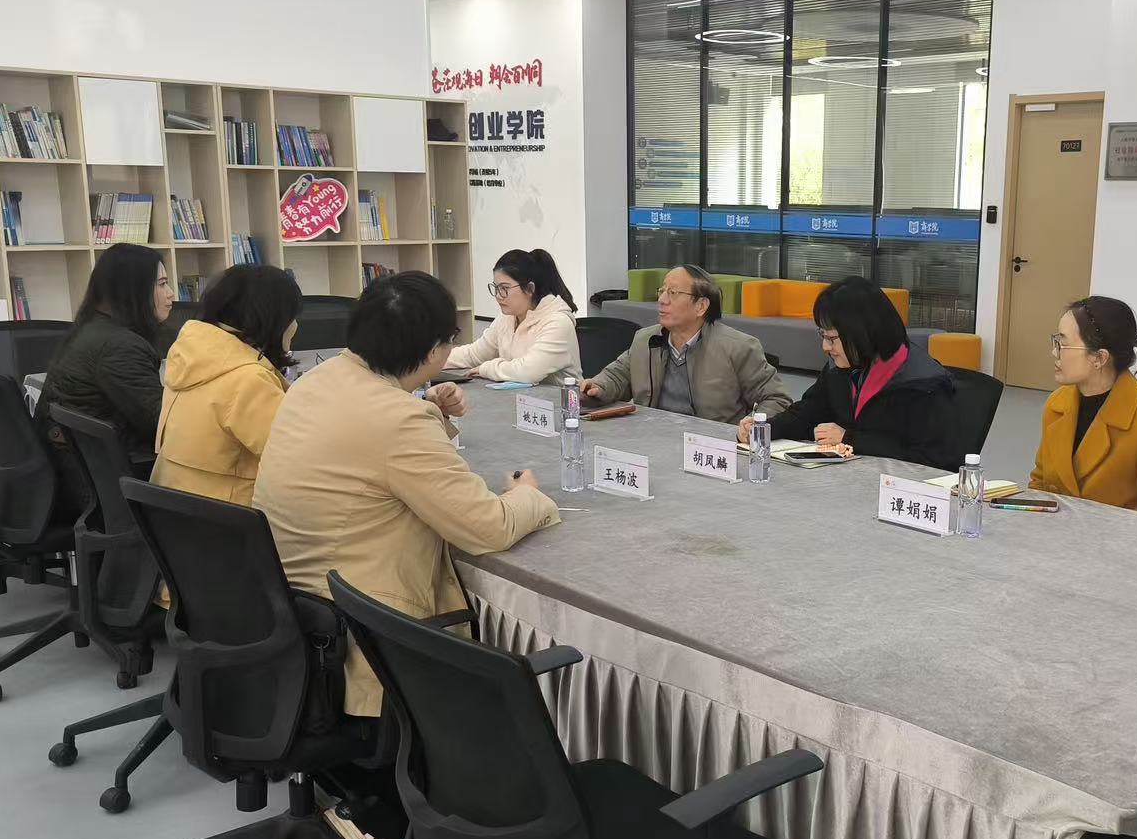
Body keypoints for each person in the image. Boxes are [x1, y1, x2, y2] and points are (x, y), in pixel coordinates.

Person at [253, 270, 559, 720]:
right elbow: (487, 527)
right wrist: (529, 495)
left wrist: (427, 409)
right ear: (434, 351)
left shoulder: (318, 379)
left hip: (295, 616)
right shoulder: (398, 420)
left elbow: (368, 448)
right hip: (360, 638)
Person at [738, 276, 959, 470]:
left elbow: (932, 459)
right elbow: (808, 413)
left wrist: (850, 439)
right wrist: (765, 428)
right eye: (822, 336)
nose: (825, 347)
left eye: (832, 338)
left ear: (863, 333)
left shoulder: (923, 383)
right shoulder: (843, 368)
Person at [151, 264, 301, 506]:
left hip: (176, 509)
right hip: (230, 512)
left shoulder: (191, 357)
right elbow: (299, 457)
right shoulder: (249, 380)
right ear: (275, 319)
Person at [1029, 296, 1137, 520]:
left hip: (1114, 541)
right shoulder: (1057, 404)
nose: (1054, 353)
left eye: (1063, 344)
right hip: (1055, 535)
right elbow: (1040, 484)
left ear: (1099, 358)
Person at [583, 263, 791, 424]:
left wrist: (753, 423)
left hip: (712, 447)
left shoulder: (738, 347)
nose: (662, 300)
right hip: (653, 438)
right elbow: (617, 376)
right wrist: (599, 386)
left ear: (701, 306)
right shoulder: (645, 340)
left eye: (673, 293)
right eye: (662, 291)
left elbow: (777, 399)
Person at [36, 242, 175, 452]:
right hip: (110, 461)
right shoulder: (120, 346)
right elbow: (164, 424)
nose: (171, 293)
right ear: (132, 289)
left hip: (77, 456)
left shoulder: (93, 325)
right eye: (162, 284)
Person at [447, 247, 582, 384]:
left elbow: (528, 371)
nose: (498, 296)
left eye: (504, 288)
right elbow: (474, 354)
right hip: (521, 396)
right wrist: (436, 358)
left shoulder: (558, 322)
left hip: (561, 397)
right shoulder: (507, 317)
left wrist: (486, 368)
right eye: (496, 288)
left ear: (530, 289)